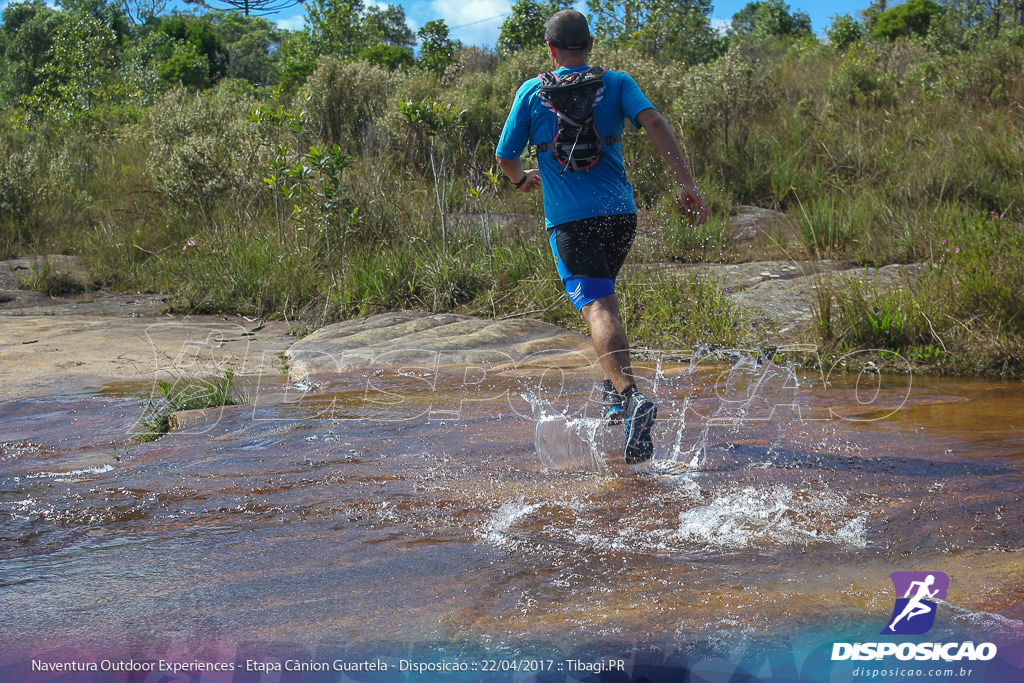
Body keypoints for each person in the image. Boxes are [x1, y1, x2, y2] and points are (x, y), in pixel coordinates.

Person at [496, 9, 709, 465]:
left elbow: (505, 155)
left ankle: (631, 398)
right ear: (589, 46)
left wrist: (521, 180)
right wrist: (687, 183)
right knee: (604, 300)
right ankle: (612, 393)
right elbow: (653, 123)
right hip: (620, 217)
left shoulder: (532, 91)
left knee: (597, 307)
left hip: (570, 223)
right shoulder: (617, 83)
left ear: (551, 50)